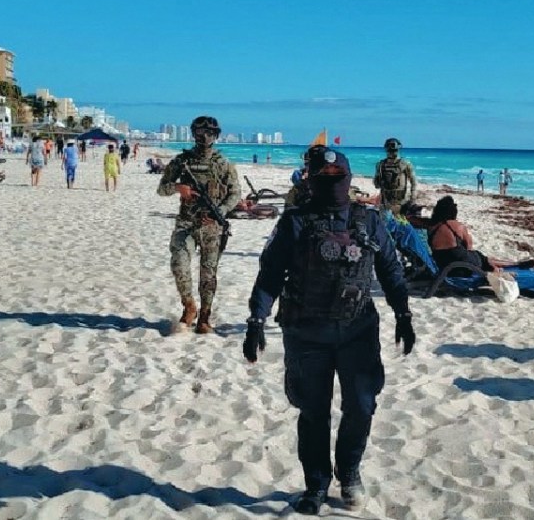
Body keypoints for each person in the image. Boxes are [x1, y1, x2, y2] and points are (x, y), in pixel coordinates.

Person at [244, 147, 416, 515]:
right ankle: (316, 484)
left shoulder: (369, 221)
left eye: (337, 178)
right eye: (323, 178)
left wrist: (403, 314)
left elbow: (390, 269)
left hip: (358, 330)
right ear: (311, 180)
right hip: (307, 332)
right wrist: (256, 320)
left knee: (362, 405)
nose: (331, 184)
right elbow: (270, 274)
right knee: (312, 411)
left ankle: (349, 471)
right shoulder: (295, 222)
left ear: (349, 179)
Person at [157, 116, 242, 333]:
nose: (204, 136)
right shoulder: (181, 161)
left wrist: (220, 212)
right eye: (200, 132)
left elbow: (235, 194)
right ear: (193, 133)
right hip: (186, 223)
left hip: (212, 227)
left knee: (208, 273)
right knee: (179, 264)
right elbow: (162, 188)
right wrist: (178, 188)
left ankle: (204, 316)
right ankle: (189, 306)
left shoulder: (223, 164)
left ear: (216, 135)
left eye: (209, 132)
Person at [427, 195, 532, 272]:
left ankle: (515, 263)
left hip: (441, 263)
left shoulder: (431, 227)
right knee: (481, 257)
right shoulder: (457, 226)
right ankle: (514, 264)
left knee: (482, 257)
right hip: (461, 265)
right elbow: (469, 246)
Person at [373, 137, 417, 215]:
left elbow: (414, 182)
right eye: (390, 150)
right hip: (386, 203)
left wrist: (412, 198)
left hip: (401, 203)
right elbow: (377, 184)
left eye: (393, 150)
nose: (392, 153)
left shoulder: (405, 164)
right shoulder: (381, 165)